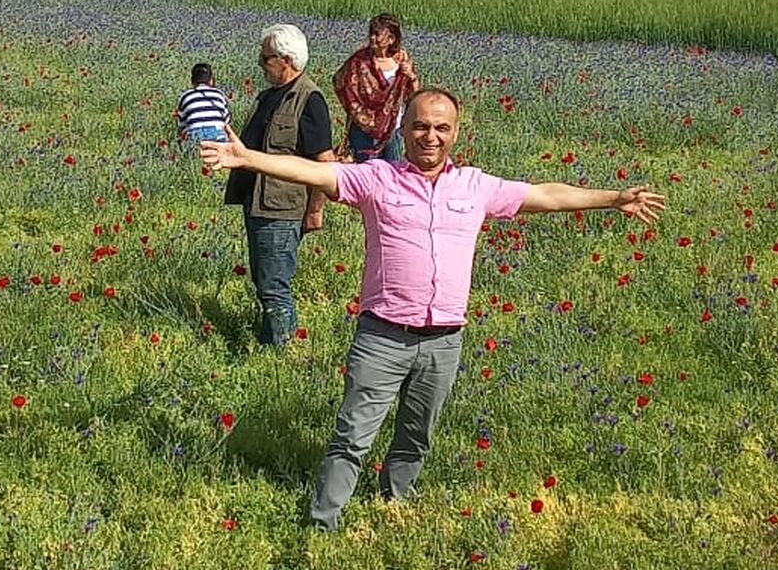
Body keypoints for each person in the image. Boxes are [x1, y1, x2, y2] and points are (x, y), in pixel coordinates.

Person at [202, 87, 664, 529]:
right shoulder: (377, 179)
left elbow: (545, 195)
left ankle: (394, 505)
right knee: (352, 437)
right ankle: (323, 524)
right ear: (404, 129)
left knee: (416, 437)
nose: (431, 136)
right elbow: (315, 172)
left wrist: (612, 199)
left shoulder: (475, 186)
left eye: (442, 128)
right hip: (382, 336)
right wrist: (245, 158)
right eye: (420, 126)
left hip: (444, 340)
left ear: (456, 132)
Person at [223, 24, 337, 346]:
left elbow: (324, 163)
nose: (260, 63)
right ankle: (283, 338)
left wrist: (316, 210)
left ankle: (276, 351)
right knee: (264, 280)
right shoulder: (269, 96)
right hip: (259, 202)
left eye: (266, 57)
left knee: (274, 286)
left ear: (285, 59)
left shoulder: (309, 99)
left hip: (282, 207)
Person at [332, 13, 418, 163]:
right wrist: (356, 109)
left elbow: (413, 95)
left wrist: (411, 76)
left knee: (392, 174)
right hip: (362, 129)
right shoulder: (360, 60)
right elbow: (339, 80)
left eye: (377, 34)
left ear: (391, 39)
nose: (372, 38)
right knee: (363, 173)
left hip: (392, 129)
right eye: (371, 33)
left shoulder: (401, 63)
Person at [175, 62, 231, 144]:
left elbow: (182, 124)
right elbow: (226, 120)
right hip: (218, 134)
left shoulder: (186, 96)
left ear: (192, 80)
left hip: (195, 135)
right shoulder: (219, 94)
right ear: (211, 80)